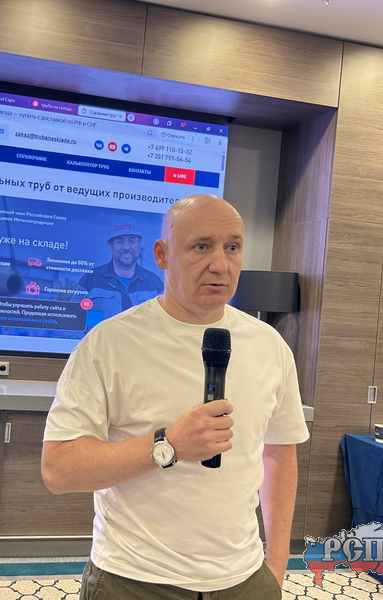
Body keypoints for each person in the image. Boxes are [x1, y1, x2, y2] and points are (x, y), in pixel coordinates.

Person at [42, 194, 309, 599]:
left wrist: (277, 560)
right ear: (162, 255)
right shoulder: (108, 344)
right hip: (134, 579)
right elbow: (59, 470)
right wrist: (167, 444)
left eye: (232, 247)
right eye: (201, 246)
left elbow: (279, 452)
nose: (220, 264)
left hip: (245, 578)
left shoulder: (270, 346)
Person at [73, 216, 163, 324]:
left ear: (139, 244)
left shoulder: (154, 283)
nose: (126, 247)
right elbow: (73, 323)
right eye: (120, 241)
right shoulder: (90, 279)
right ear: (111, 245)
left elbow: (164, 324)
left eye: (132, 241)